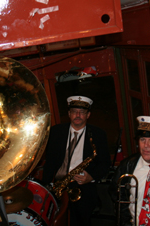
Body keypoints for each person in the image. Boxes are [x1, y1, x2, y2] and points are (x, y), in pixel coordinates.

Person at [42, 95, 111, 226]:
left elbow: (105, 164)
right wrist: (46, 187)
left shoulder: (98, 134)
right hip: (58, 184)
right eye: (74, 112)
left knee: (81, 220)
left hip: (82, 185)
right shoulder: (56, 132)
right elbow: (50, 162)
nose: (78, 115)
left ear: (88, 115)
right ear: (69, 114)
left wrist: (91, 177)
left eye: (82, 112)